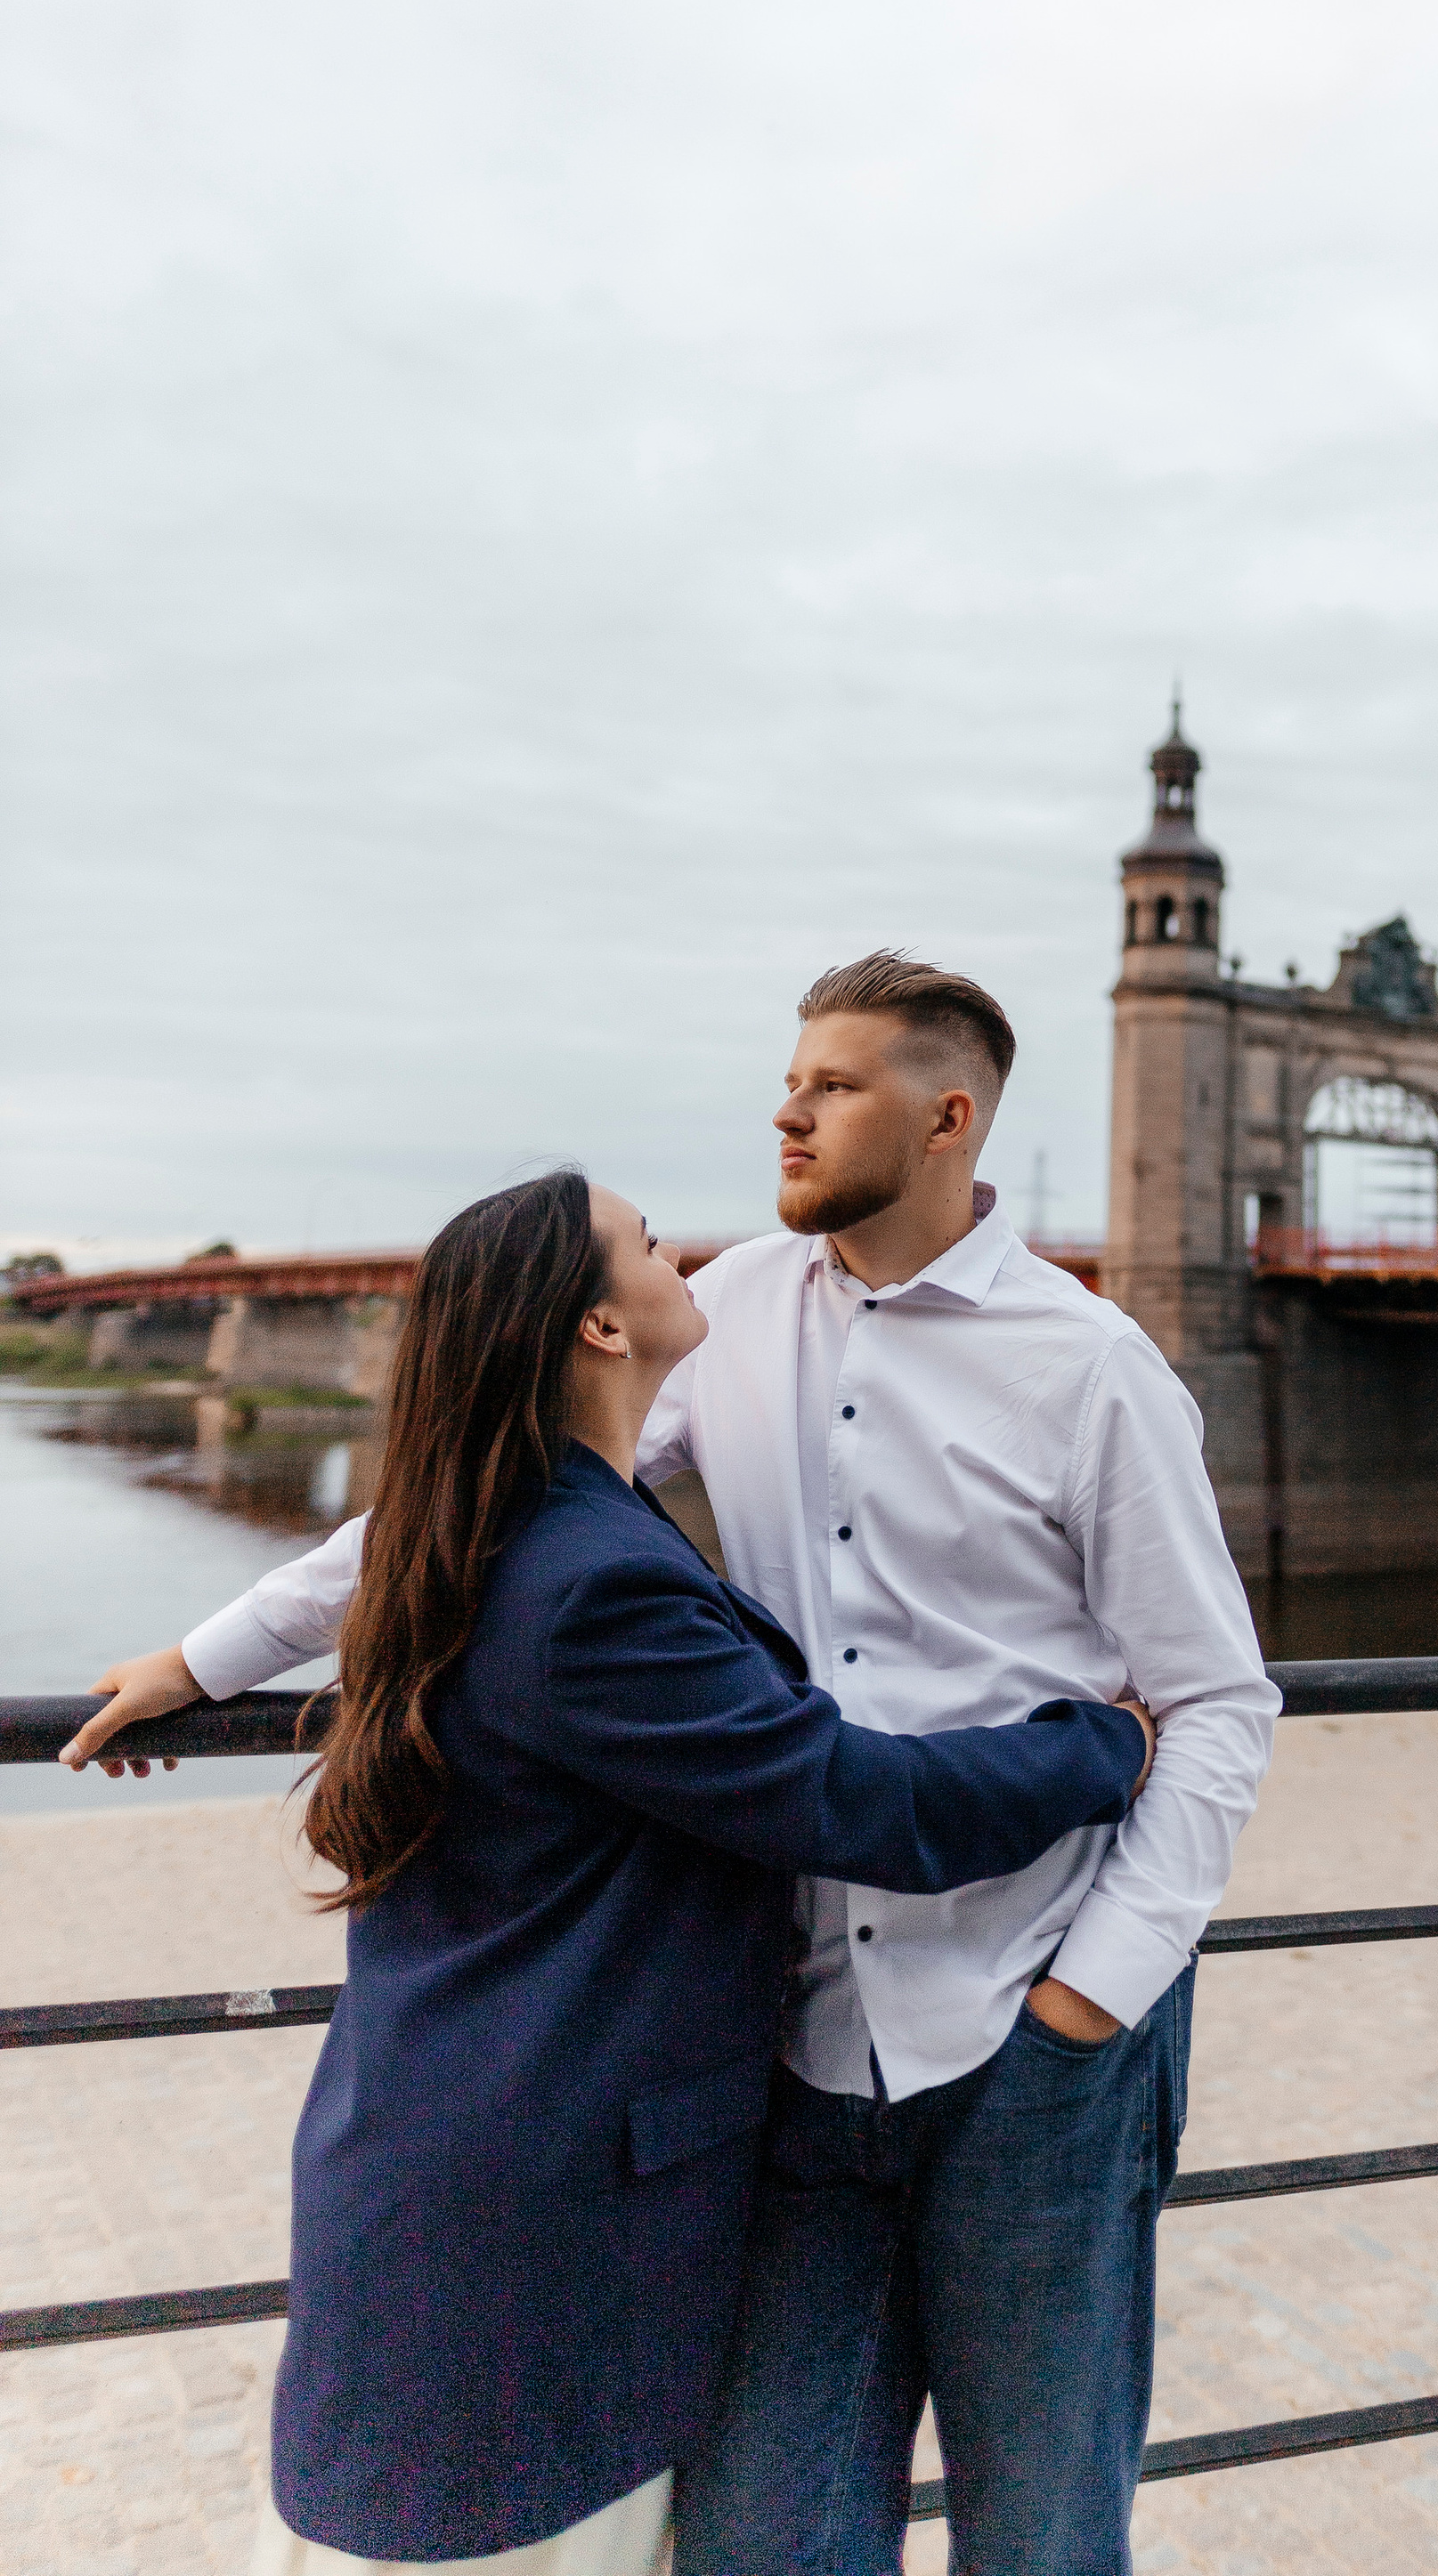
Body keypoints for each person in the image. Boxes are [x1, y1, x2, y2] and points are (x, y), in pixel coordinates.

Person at [70, 956, 1280, 2575]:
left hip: (1032, 2031)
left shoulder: (1093, 1367)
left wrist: (1093, 1998)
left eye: (833, 1085)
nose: (789, 1110)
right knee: (766, 2538)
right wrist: (215, 1653)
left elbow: (1220, 1703)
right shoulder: (739, 1312)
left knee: (1043, 2532)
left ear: (947, 1118)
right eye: (790, 1077)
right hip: (798, 2044)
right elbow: (482, 1496)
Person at [196, 1164, 1150, 2574]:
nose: (683, 1257)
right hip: (532, 2229)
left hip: (453, 2165)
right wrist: (1108, 1744)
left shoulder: (508, 1523)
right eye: (648, 1245)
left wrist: (202, 1656)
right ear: (600, 1325)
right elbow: (852, 1798)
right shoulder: (592, 1577)